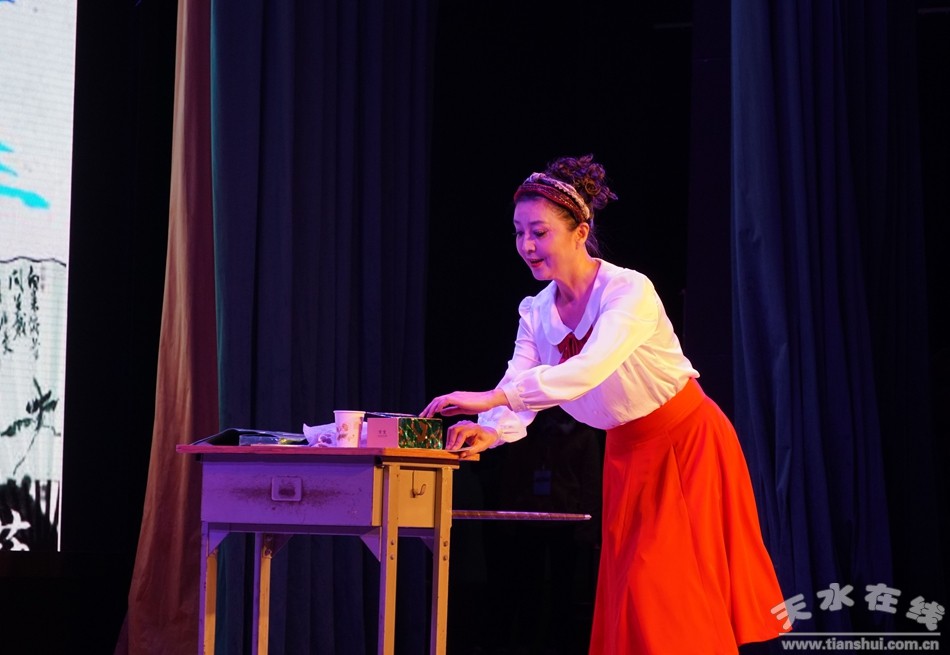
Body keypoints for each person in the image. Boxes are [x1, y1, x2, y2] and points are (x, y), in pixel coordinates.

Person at [421, 154, 789, 654]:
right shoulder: (536, 312)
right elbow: (518, 381)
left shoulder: (627, 291)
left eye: (540, 232)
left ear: (580, 232)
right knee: (635, 601)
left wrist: (491, 398)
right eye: (519, 233)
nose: (527, 245)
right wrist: (489, 428)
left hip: (685, 443)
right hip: (627, 454)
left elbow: (589, 368)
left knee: (665, 593)